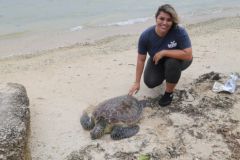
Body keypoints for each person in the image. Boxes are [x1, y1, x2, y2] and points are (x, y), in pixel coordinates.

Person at [128, 4, 193, 107]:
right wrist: (137, 82)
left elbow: (188, 55)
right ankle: (169, 74)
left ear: (172, 22)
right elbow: (141, 60)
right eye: (161, 18)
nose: (164, 23)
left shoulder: (179, 31)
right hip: (158, 60)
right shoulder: (146, 35)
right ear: (156, 18)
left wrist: (164, 52)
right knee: (150, 82)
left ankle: (169, 93)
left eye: (169, 20)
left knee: (172, 63)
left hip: (180, 59)